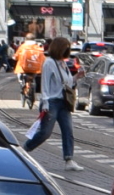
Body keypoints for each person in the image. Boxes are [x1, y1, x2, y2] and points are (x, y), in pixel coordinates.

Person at [21, 22, 78, 167]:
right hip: (51, 102)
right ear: (59, 48)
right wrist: (44, 102)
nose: (67, 51)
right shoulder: (49, 63)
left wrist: (79, 76)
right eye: (65, 48)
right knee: (45, 133)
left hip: (63, 103)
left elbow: (68, 83)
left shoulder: (62, 63)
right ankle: (24, 150)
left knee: (68, 131)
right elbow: (45, 85)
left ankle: (69, 159)